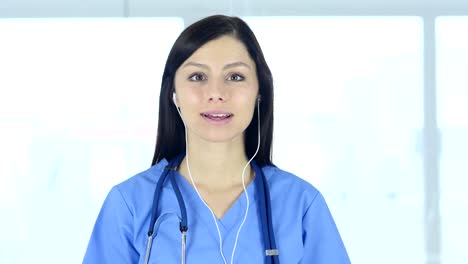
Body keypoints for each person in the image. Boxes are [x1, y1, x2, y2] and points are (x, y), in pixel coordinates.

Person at [83, 15, 350, 264]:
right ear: (173, 94)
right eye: (197, 76)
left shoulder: (300, 204)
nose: (216, 93)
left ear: (260, 92)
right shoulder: (130, 204)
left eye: (235, 77)